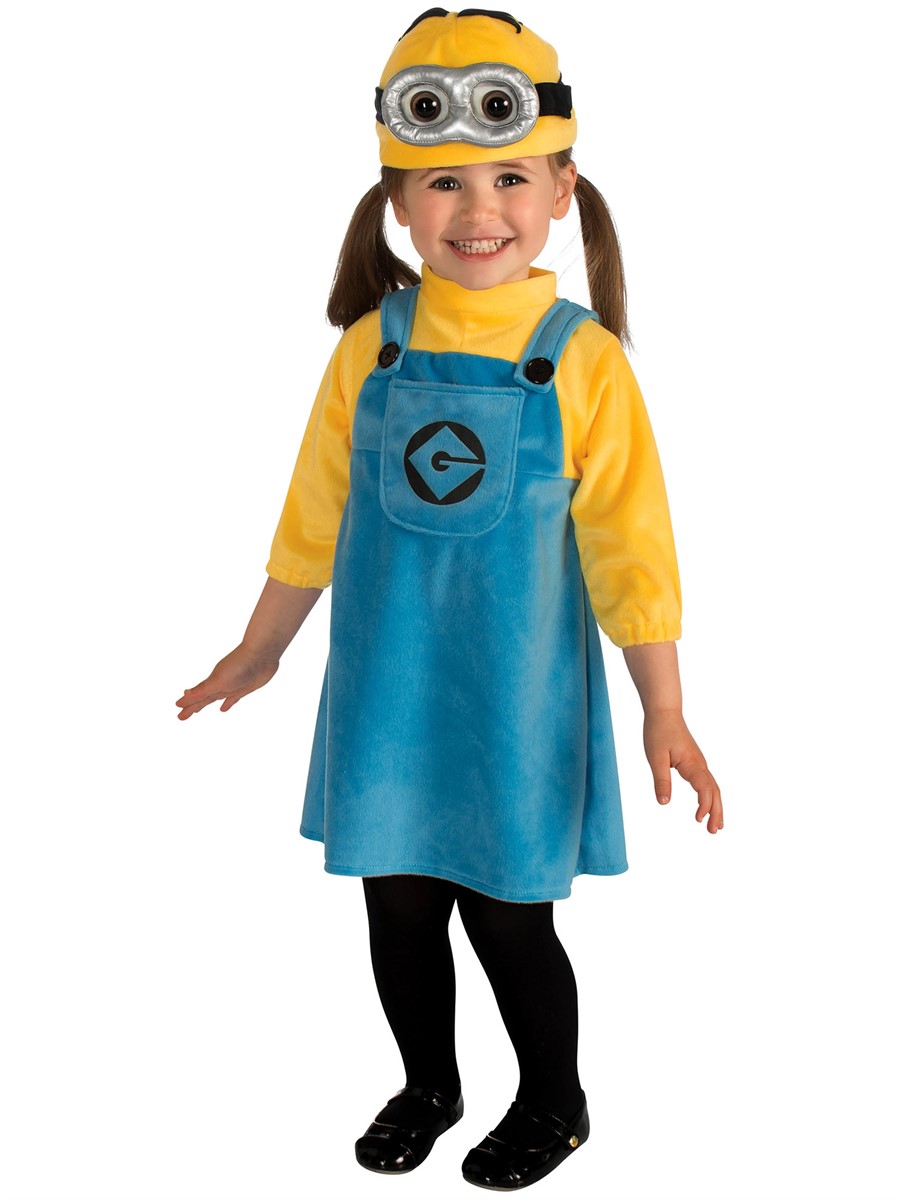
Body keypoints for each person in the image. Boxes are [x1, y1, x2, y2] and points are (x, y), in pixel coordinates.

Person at [176, 8, 723, 1191]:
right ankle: (430, 1083)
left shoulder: (582, 361)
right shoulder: (369, 347)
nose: (480, 211)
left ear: (563, 189)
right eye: (443, 183)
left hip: (515, 703)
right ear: (396, 201)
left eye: (511, 177)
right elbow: (312, 517)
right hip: (389, 695)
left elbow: (633, 547)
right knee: (399, 906)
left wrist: (665, 707)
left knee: (509, 915)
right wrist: (259, 648)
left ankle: (556, 1102)